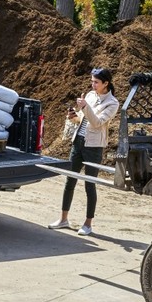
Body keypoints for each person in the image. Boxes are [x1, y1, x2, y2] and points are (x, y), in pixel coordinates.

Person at [48, 68, 119, 236]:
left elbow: (97, 123)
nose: (92, 84)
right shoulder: (90, 95)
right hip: (78, 142)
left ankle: (88, 223)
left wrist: (85, 107)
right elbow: (83, 119)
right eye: (92, 81)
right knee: (69, 181)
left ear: (106, 84)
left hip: (94, 146)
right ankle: (63, 218)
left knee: (89, 184)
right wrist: (73, 115)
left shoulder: (112, 103)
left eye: (96, 82)